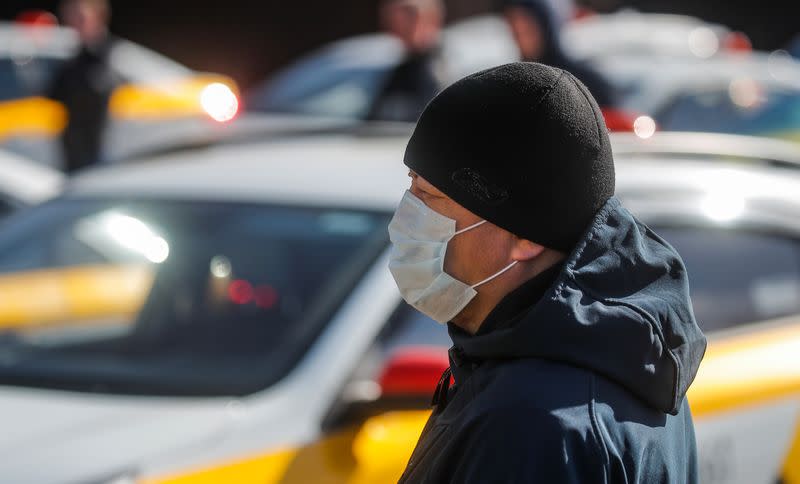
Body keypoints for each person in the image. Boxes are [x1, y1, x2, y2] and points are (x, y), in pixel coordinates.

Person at [388, 62, 706, 483]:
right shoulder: (625, 354)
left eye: (429, 196)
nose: (407, 215)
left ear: (525, 236)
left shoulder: (530, 425)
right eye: (411, 185)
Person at [47, 0, 120, 173]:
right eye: (69, 18)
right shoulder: (72, 54)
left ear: (98, 17)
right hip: (75, 145)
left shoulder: (113, 54)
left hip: (103, 143)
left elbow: (99, 90)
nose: (73, 23)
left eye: (80, 17)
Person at [504, 0, 616, 107]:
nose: (522, 41)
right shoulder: (513, 83)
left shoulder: (582, 82)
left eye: (527, 31)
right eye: (515, 32)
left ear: (545, 27)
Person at [365, 0, 447, 122]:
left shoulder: (437, 70)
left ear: (431, 21)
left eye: (406, 23)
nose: (396, 31)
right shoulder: (403, 67)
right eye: (392, 23)